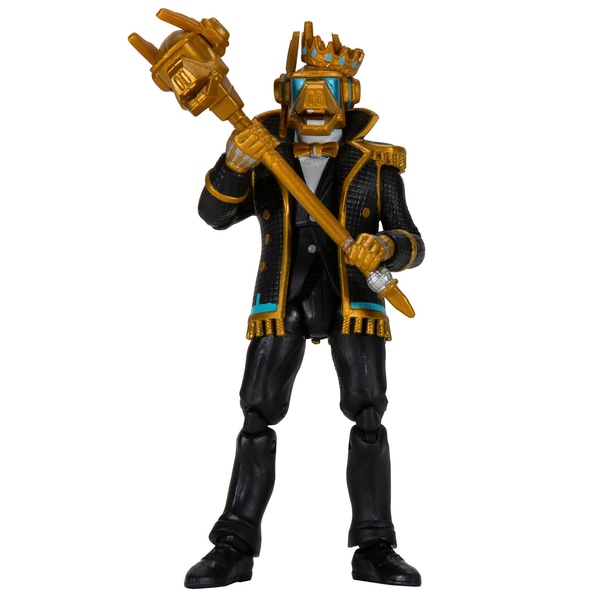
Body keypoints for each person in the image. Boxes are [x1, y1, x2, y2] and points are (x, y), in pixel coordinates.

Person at [183, 22, 425, 588]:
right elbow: (213, 215)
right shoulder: (263, 156)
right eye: (302, 90)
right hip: (280, 297)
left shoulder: (376, 164)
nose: (315, 102)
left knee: (369, 413)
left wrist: (385, 247)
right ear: (284, 96)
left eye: (328, 91)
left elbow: (413, 241)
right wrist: (235, 163)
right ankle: (234, 542)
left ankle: (375, 544)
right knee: (256, 412)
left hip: (354, 298)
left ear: (349, 97)